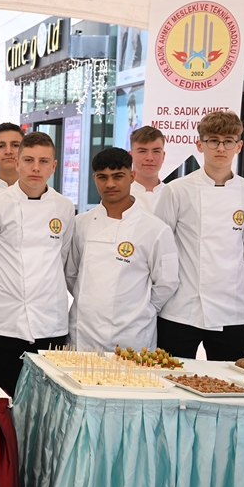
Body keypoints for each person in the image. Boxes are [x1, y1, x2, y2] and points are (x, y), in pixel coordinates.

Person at [0, 131, 74, 395]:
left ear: (54, 166)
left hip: (51, 320)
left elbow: (62, 256)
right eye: (28, 160)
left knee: (49, 400)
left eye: (43, 161)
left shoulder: (64, 207)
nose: (35, 168)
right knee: (5, 396)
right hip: (5, 322)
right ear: (17, 163)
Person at [154, 111, 244, 361]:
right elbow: (161, 247)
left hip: (230, 307)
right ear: (200, 144)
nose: (220, 147)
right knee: (170, 380)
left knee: (231, 384)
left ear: (239, 146)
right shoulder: (177, 190)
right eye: (213, 140)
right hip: (181, 307)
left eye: (228, 141)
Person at [65, 148, 179, 353]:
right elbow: (72, 274)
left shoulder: (155, 229)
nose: (110, 184)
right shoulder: (81, 223)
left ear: (132, 176)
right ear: (94, 178)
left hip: (133, 335)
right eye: (103, 177)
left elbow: (167, 282)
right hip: (84, 333)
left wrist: (139, 309)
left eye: (118, 176)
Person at [129, 126, 167, 214]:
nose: (149, 158)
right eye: (142, 151)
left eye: (156, 151)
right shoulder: (120, 195)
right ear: (130, 156)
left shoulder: (173, 195)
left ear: (163, 156)